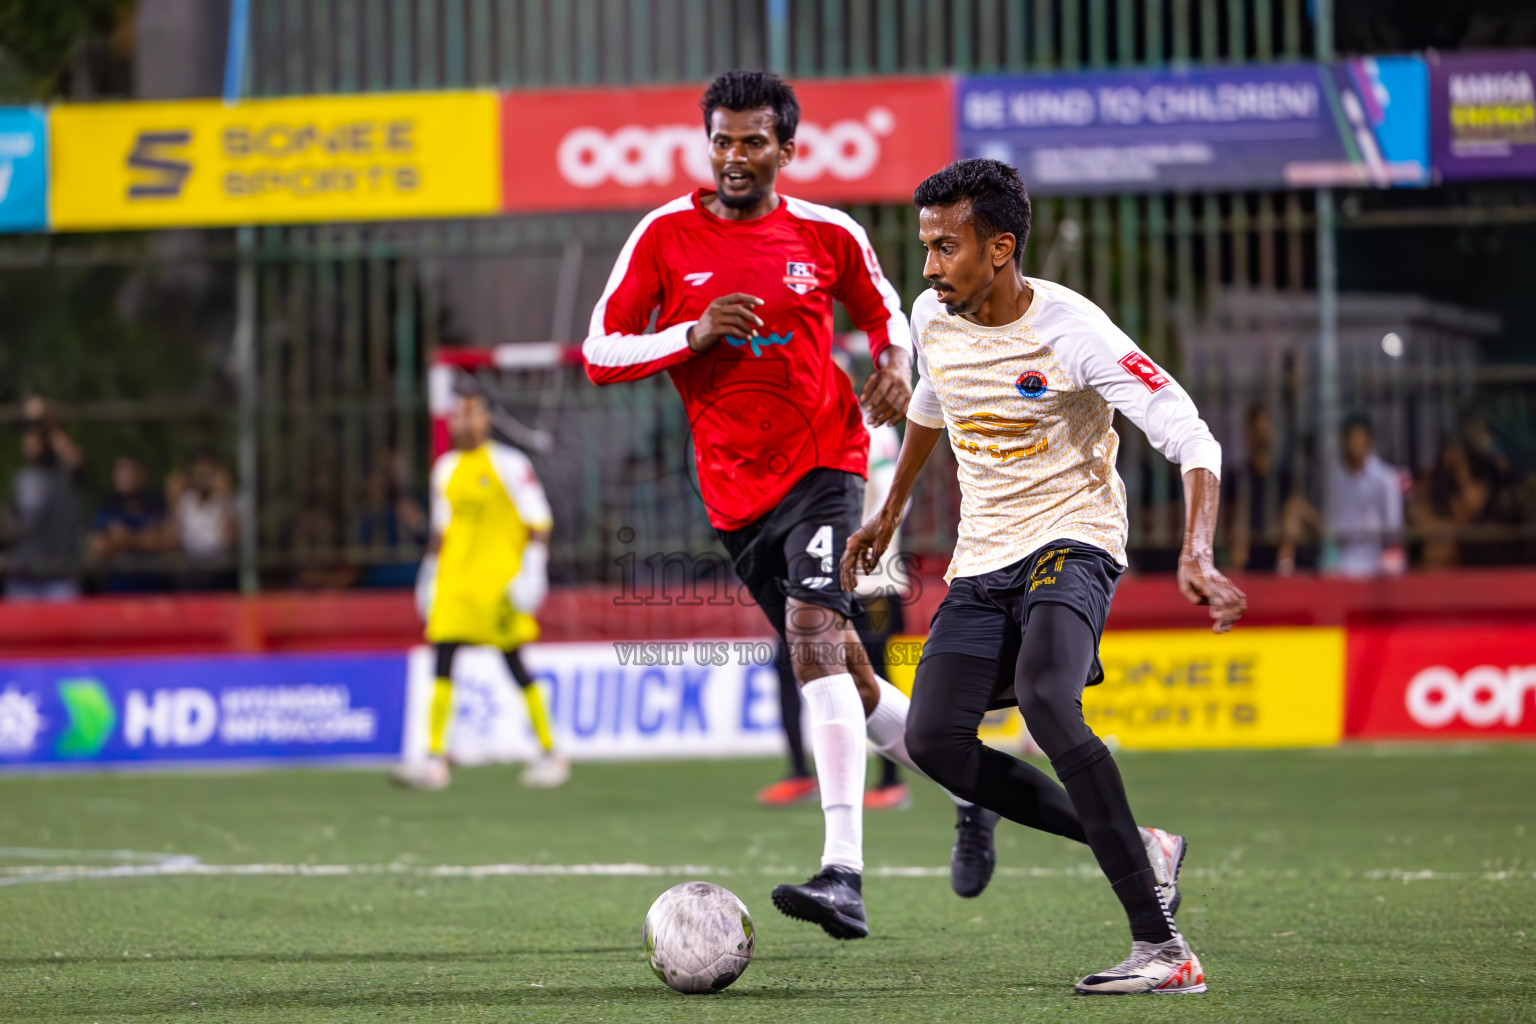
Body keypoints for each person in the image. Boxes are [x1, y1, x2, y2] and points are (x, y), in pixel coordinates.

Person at [845, 159, 1245, 994]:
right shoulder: (933, 314)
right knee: (933, 742)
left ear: (999, 248)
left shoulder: (1073, 332)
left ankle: (1165, 950)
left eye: (944, 247)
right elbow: (931, 399)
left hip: (1075, 539)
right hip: (983, 555)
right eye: (923, 245)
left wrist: (1199, 551)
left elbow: (1190, 435)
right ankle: (1144, 847)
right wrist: (889, 511)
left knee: (1048, 699)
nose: (927, 267)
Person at [582, 70, 958, 940]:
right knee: (851, 678)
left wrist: (895, 362)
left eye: (753, 141)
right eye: (721, 139)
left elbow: (885, 309)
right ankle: (968, 784)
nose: (734, 156)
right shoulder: (662, 237)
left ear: (787, 149)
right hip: (733, 496)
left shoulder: (826, 231)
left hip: (827, 461)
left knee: (815, 636)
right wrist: (693, 332)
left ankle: (843, 874)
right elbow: (601, 351)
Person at [392, 387, 566, 791]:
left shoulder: (510, 464)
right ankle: (435, 759)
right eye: (459, 415)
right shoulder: (445, 469)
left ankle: (550, 751)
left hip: (499, 583)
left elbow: (539, 521)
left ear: (487, 419)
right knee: (442, 659)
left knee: (515, 663)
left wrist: (533, 570)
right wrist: (429, 572)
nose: (465, 422)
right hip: (455, 582)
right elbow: (441, 530)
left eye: (473, 414)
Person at [3, 398, 84, 601]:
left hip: (59, 577)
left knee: (65, 631)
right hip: (22, 576)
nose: (28, 440)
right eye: (27, 434)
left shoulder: (63, 473)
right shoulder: (22, 478)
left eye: (35, 434)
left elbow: (77, 461)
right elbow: (12, 523)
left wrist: (46, 422)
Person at [1325, 416, 1405, 577]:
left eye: (1360, 438)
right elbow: (1330, 521)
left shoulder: (1385, 478)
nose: (1355, 444)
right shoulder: (1334, 476)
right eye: (1351, 438)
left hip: (1376, 557)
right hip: (1342, 558)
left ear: (1369, 441)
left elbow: (1394, 527)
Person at [89, 455, 171, 593]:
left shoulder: (157, 506)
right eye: (120, 470)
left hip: (154, 593)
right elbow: (99, 547)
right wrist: (144, 539)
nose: (124, 476)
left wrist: (126, 540)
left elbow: (168, 542)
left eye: (129, 470)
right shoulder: (107, 507)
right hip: (116, 594)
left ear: (143, 474)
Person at [169, 450, 239, 591]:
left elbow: (230, 540)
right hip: (191, 570)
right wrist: (172, 502)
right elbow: (172, 541)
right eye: (199, 472)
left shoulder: (230, 502)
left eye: (208, 472)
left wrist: (225, 498)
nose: (203, 477)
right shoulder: (184, 501)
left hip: (221, 571)